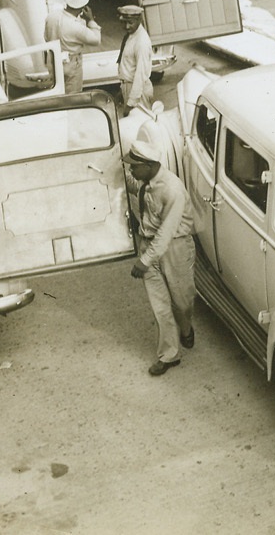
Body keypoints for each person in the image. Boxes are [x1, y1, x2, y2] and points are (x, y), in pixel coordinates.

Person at [123, 139, 196, 376]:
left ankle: (186, 328)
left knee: (182, 302)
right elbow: (132, 185)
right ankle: (169, 354)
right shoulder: (145, 181)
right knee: (160, 306)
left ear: (149, 165)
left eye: (134, 166)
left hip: (175, 248)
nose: (131, 171)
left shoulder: (172, 189)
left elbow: (166, 233)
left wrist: (143, 262)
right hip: (149, 246)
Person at [44, 0, 101, 94]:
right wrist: (91, 20)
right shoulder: (77, 27)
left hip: (53, 60)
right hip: (71, 62)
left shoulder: (52, 16)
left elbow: (46, 37)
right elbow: (96, 40)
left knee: (57, 92)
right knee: (72, 94)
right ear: (83, 7)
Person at [116, 4, 154, 113]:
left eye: (130, 23)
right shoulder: (131, 35)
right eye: (124, 22)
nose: (127, 26)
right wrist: (122, 89)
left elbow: (140, 75)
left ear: (140, 20)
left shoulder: (141, 42)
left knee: (137, 125)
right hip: (129, 87)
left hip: (138, 93)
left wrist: (130, 104)